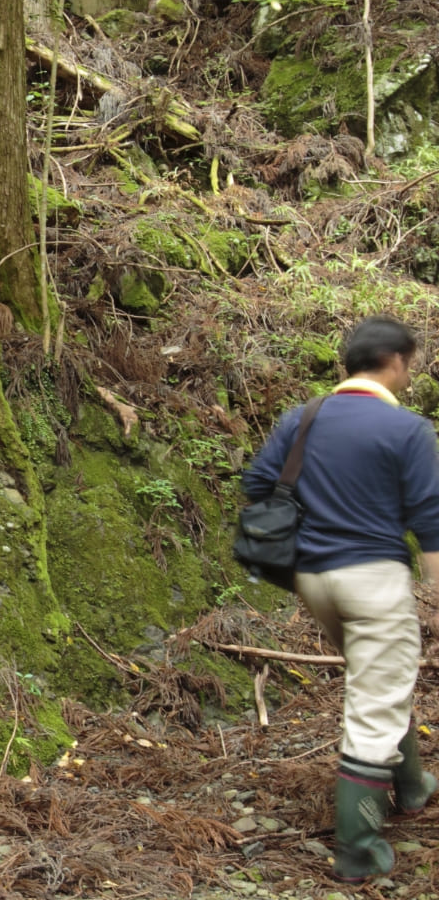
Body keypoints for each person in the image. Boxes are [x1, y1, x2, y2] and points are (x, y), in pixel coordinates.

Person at [243, 316, 439, 881]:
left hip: (311, 578)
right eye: (412, 363)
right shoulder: (406, 429)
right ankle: (359, 850)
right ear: (397, 362)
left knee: (378, 675)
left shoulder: (301, 417)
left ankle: (412, 784)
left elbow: (258, 485)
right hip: (372, 578)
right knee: (375, 699)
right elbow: (429, 517)